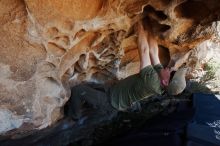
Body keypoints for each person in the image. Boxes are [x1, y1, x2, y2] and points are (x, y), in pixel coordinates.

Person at [68, 20, 186, 120]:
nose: (171, 69)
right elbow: (153, 52)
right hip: (114, 92)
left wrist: (139, 22)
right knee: (90, 88)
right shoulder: (161, 75)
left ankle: (75, 117)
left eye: (173, 74)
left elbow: (144, 50)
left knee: (78, 90)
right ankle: (86, 107)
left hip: (110, 102)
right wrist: (149, 26)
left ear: (165, 82)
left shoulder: (152, 82)